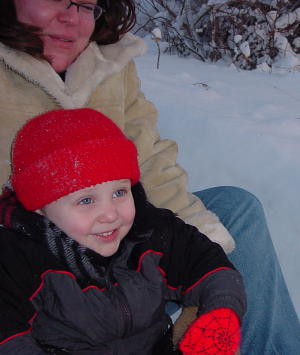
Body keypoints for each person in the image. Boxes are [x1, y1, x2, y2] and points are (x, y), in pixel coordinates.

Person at [0, 0, 299, 353]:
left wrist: (188, 247)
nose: (71, 17)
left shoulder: (109, 62)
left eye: (84, 5)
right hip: (32, 257)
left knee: (236, 207)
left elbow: (148, 156)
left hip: (118, 246)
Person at [0, 108, 247, 354]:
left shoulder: (147, 230)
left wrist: (221, 313)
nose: (110, 214)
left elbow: (207, 263)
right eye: (86, 200)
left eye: (119, 192)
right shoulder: (16, 259)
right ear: (40, 209)